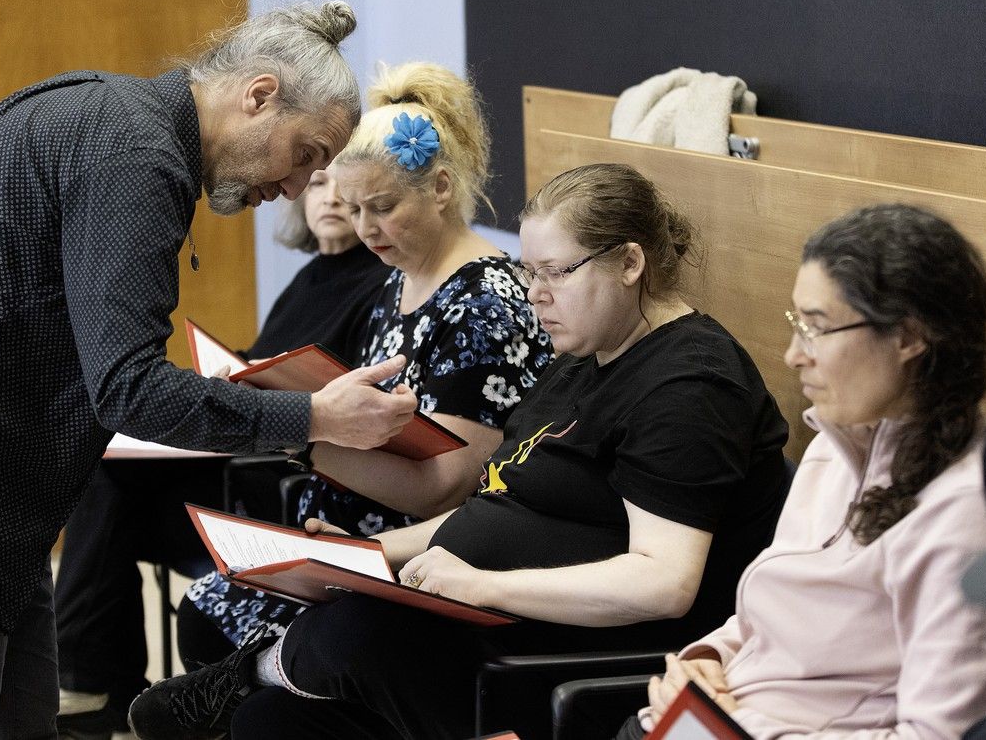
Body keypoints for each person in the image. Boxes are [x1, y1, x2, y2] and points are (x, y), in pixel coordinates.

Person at [127, 162, 791, 740]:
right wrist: (369, 555)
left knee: (360, 631)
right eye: (530, 272)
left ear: (630, 263)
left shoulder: (690, 382)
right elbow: (498, 509)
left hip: (576, 652)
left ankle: (249, 671)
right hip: (492, 619)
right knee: (272, 723)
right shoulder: (585, 354)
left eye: (555, 273)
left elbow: (663, 583)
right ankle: (252, 683)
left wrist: (481, 584)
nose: (537, 296)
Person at [0, 0, 424, 738]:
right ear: (258, 96)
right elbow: (128, 387)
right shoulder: (137, 155)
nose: (294, 188)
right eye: (305, 155)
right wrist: (316, 416)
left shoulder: (102, 106)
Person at [172, 61, 553, 671]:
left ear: (441, 188)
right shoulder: (397, 281)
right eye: (351, 208)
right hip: (345, 542)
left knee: (232, 650)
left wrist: (301, 432)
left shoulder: (486, 304)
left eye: (382, 206)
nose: (365, 229)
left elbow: (444, 488)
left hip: (416, 557)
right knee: (204, 613)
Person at [621, 204, 986, 739]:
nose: (795, 355)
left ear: (909, 338)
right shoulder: (831, 449)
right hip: (695, 721)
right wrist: (707, 659)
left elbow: (931, 734)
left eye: (817, 328)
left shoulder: (962, 517)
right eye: (797, 324)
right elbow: (771, 620)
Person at [54, 165, 389, 738]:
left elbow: (337, 403)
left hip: (283, 478)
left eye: (345, 189)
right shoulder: (312, 275)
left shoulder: (378, 283)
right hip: (243, 458)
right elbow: (265, 365)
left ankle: (95, 684)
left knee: (109, 492)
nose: (331, 199)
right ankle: (99, 685)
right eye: (315, 185)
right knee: (103, 478)